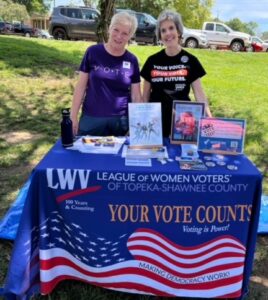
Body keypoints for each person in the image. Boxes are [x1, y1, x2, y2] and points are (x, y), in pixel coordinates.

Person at [141, 9, 212, 137]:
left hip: (182, 125)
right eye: (163, 30)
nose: (168, 33)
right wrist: (140, 121)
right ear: (160, 35)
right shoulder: (152, 61)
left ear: (178, 31)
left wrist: (209, 121)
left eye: (171, 28)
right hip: (155, 124)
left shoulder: (191, 61)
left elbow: (200, 95)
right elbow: (145, 97)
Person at [71, 11, 142, 137]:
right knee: (85, 156)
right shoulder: (93, 52)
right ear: (109, 29)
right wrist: (73, 116)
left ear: (130, 36)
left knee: (120, 156)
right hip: (91, 119)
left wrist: (138, 124)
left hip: (121, 122)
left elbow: (136, 96)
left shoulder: (132, 60)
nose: (119, 36)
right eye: (116, 30)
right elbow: (81, 86)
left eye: (125, 33)